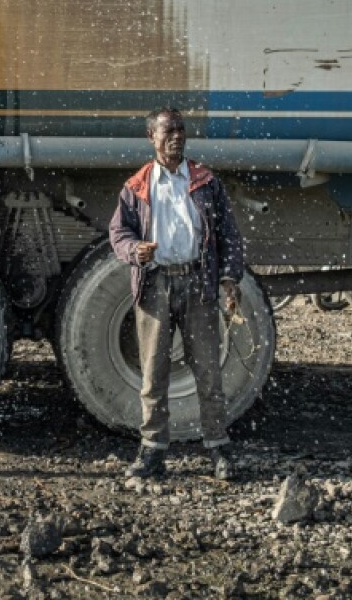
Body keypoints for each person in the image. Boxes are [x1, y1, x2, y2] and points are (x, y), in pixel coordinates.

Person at [108, 108, 245, 480]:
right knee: (154, 375)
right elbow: (118, 234)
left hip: (198, 285)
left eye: (181, 130)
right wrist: (135, 251)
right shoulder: (136, 187)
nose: (176, 137)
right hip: (155, 286)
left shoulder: (205, 181)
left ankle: (218, 447)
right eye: (168, 131)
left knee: (208, 372)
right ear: (151, 136)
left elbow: (228, 233)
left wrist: (230, 278)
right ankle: (152, 451)